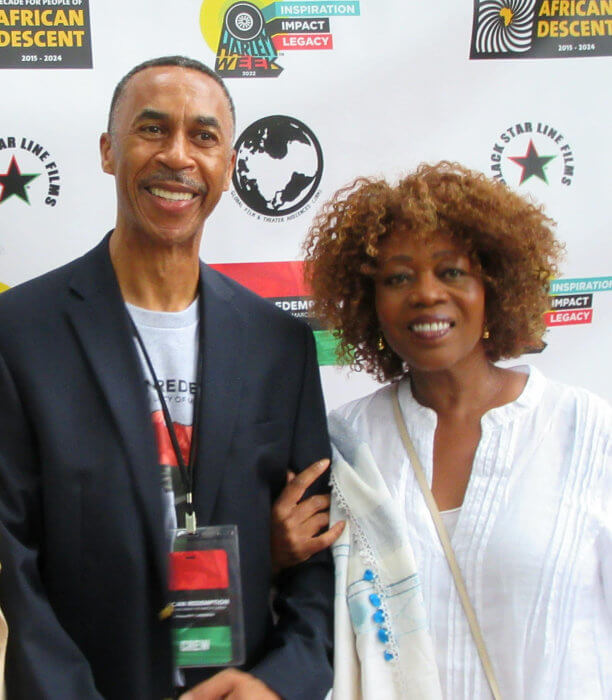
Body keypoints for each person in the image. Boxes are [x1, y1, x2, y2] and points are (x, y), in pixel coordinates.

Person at [0, 56, 334, 700]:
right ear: (107, 150)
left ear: (229, 166)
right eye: (152, 130)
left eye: (203, 137)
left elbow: (317, 560)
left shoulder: (281, 345)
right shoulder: (19, 332)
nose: (178, 156)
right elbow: (15, 565)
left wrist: (279, 684)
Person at [274, 162, 612, 698]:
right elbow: (312, 615)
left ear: (495, 286)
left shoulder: (589, 433)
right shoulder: (345, 443)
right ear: (370, 303)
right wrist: (278, 555)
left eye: (451, 271)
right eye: (398, 278)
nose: (426, 294)